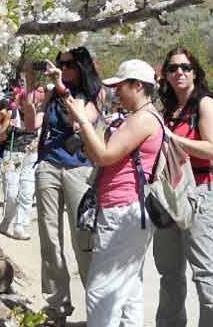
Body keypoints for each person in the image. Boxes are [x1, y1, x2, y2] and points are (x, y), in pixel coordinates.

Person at [64, 59, 161, 327]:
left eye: (121, 86)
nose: (117, 93)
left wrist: (83, 120)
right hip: (131, 210)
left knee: (101, 291)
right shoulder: (145, 118)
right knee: (129, 290)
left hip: (123, 210)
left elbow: (104, 156)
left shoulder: (142, 119)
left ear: (138, 86)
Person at [21, 47, 104, 326]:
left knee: (83, 237)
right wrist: (30, 87)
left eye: (69, 64)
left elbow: (80, 119)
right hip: (48, 166)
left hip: (80, 169)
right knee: (49, 236)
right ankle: (57, 304)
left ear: (81, 67)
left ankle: (96, 304)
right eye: (60, 64)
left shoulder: (93, 94)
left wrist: (59, 86)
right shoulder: (51, 94)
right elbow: (32, 124)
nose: (64, 68)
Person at [154, 47, 213, 327]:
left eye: (184, 67)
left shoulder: (205, 104)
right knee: (169, 272)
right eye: (172, 68)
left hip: (198, 192)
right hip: (169, 193)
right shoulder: (168, 109)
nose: (179, 72)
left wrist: (172, 138)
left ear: (195, 72)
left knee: (204, 270)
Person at [0, 88, 38, 240]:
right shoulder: (11, 113)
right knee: (12, 193)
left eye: (32, 100)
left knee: (27, 193)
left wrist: (38, 142)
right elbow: (1, 136)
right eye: (26, 99)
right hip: (11, 156)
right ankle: (7, 220)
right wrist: (7, 128)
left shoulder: (38, 115)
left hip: (31, 157)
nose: (29, 103)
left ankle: (20, 226)